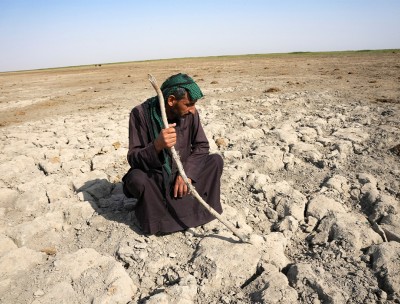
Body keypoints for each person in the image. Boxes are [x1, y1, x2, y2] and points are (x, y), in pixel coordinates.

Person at [122, 73, 223, 235]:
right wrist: (156, 145)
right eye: (188, 104)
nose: (193, 110)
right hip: (157, 176)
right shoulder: (140, 113)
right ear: (171, 101)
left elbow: (202, 146)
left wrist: (187, 174)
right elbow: (134, 158)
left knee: (216, 161)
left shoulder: (191, 114)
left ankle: (195, 209)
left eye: (194, 104)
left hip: (183, 174)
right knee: (137, 179)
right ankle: (161, 220)